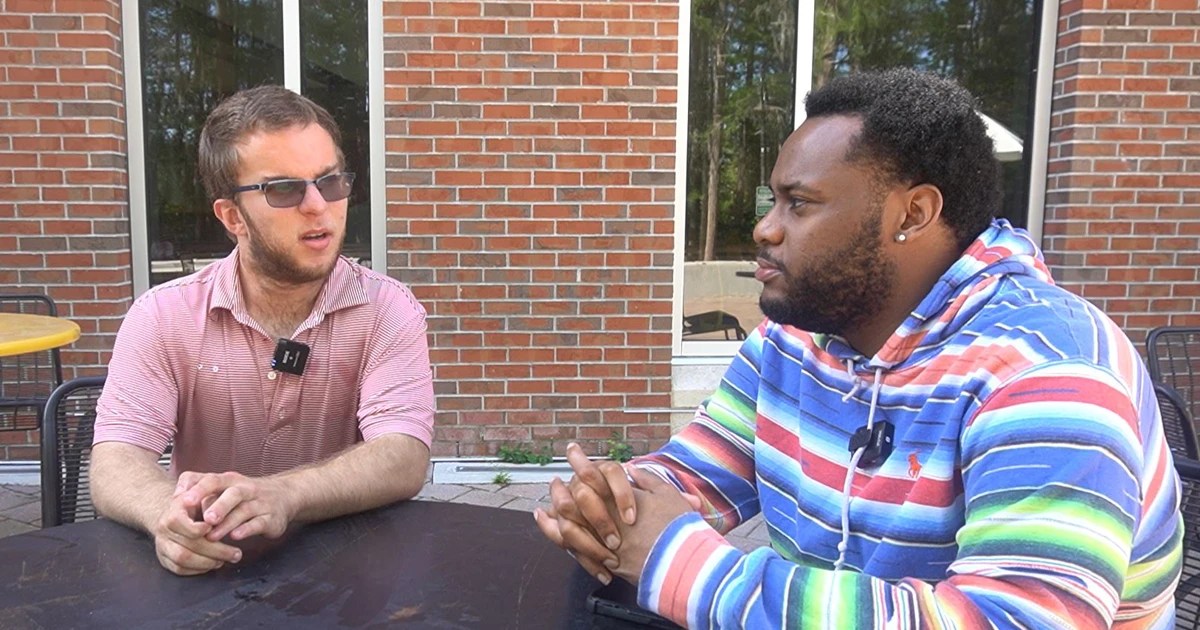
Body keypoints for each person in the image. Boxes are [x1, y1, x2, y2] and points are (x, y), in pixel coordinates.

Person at [536, 68, 1183, 628]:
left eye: (799, 204)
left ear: (912, 214)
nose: (764, 227)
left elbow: (1016, 620)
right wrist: (614, 503)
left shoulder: (1048, 373)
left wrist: (681, 565)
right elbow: (698, 474)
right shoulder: (795, 338)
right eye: (773, 200)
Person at [91, 86, 435, 576]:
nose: (319, 206)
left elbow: (403, 454)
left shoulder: (387, 309)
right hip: (207, 569)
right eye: (284, 189)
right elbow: (115, 458)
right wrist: (163, 512)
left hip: (349, 572)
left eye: (330, 182)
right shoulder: (165, 315)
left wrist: (283, 494)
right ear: (233, 216)